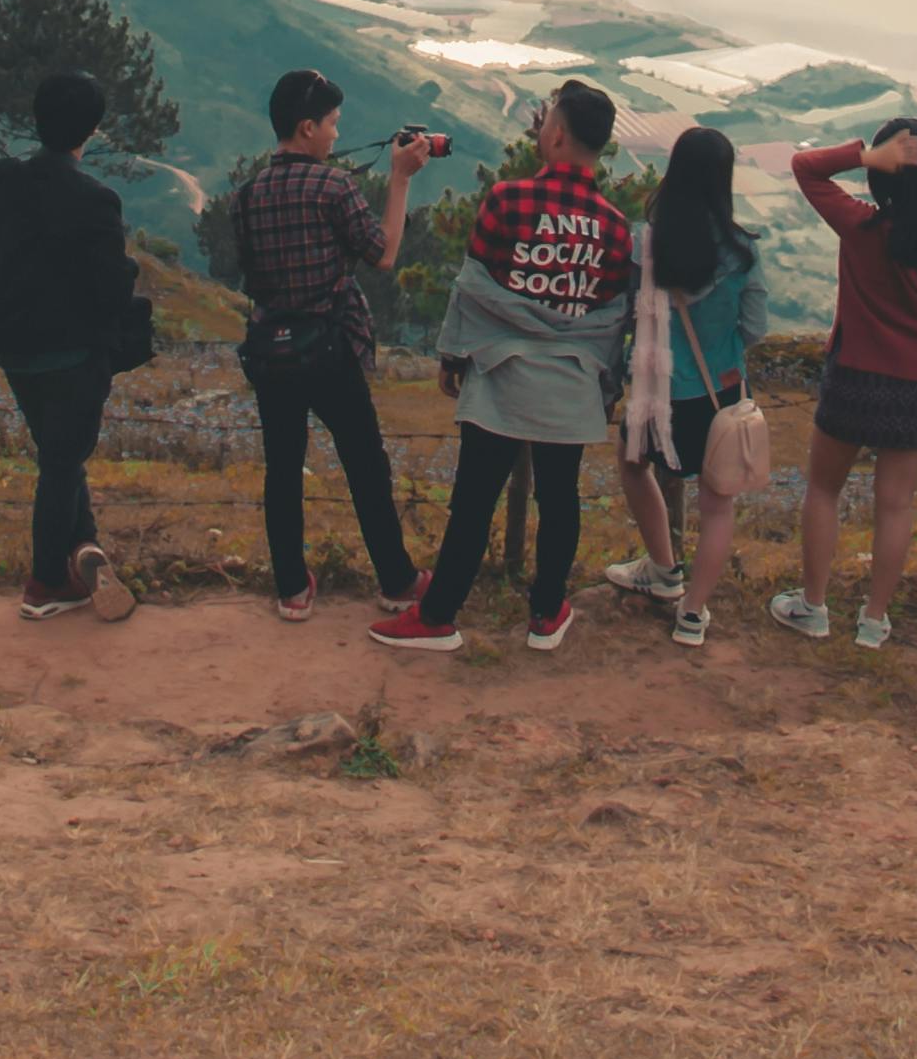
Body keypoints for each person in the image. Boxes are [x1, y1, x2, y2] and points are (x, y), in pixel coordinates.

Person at [371, 78, 634, 655]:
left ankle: (439, 616)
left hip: (501, 376)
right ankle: (546, 611)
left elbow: (474, 289)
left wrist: (452, 356)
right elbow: (611, 315)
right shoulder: (615, 226)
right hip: (569, 384)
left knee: (473, 499)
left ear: (556, 133)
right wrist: (605, 387)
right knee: (560, 498)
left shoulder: (507, 200)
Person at [0, 68, 145, 622]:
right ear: (92, 129)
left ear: (36, 120)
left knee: (61, 454)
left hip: (15, 351)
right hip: (76, 354)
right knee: (62, 462)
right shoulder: (97, 199)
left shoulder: (1, 180)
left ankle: (83, 545)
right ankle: (44, 584)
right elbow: (114, 285)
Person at [229, 68, 441, 620]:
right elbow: (384, 253)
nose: (333, 134)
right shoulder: (334, 186)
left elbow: (250, 276)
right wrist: (400, 179)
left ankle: (292, 589)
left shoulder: (247, 194)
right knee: (364, 463)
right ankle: (396, 581)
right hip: (328, 348)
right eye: (330, 124)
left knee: (282, 466)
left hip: (270, 350)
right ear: (306, 127)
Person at [770, 117, 917, 649]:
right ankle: (874, 622)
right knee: (896, 505)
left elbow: (804, 168)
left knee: (823, 489)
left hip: (855, 375)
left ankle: (813, 607)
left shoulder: (861, 228)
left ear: (886, 177)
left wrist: (866, 156)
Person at [604, 125, 769, 648]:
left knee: (634, 466)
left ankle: (663, 568)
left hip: (659, 395)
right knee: (718, 503)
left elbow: (624, 314)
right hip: (721, 396)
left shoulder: (643, 244)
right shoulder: (743, 252)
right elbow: (757, 329)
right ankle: (693, 615)